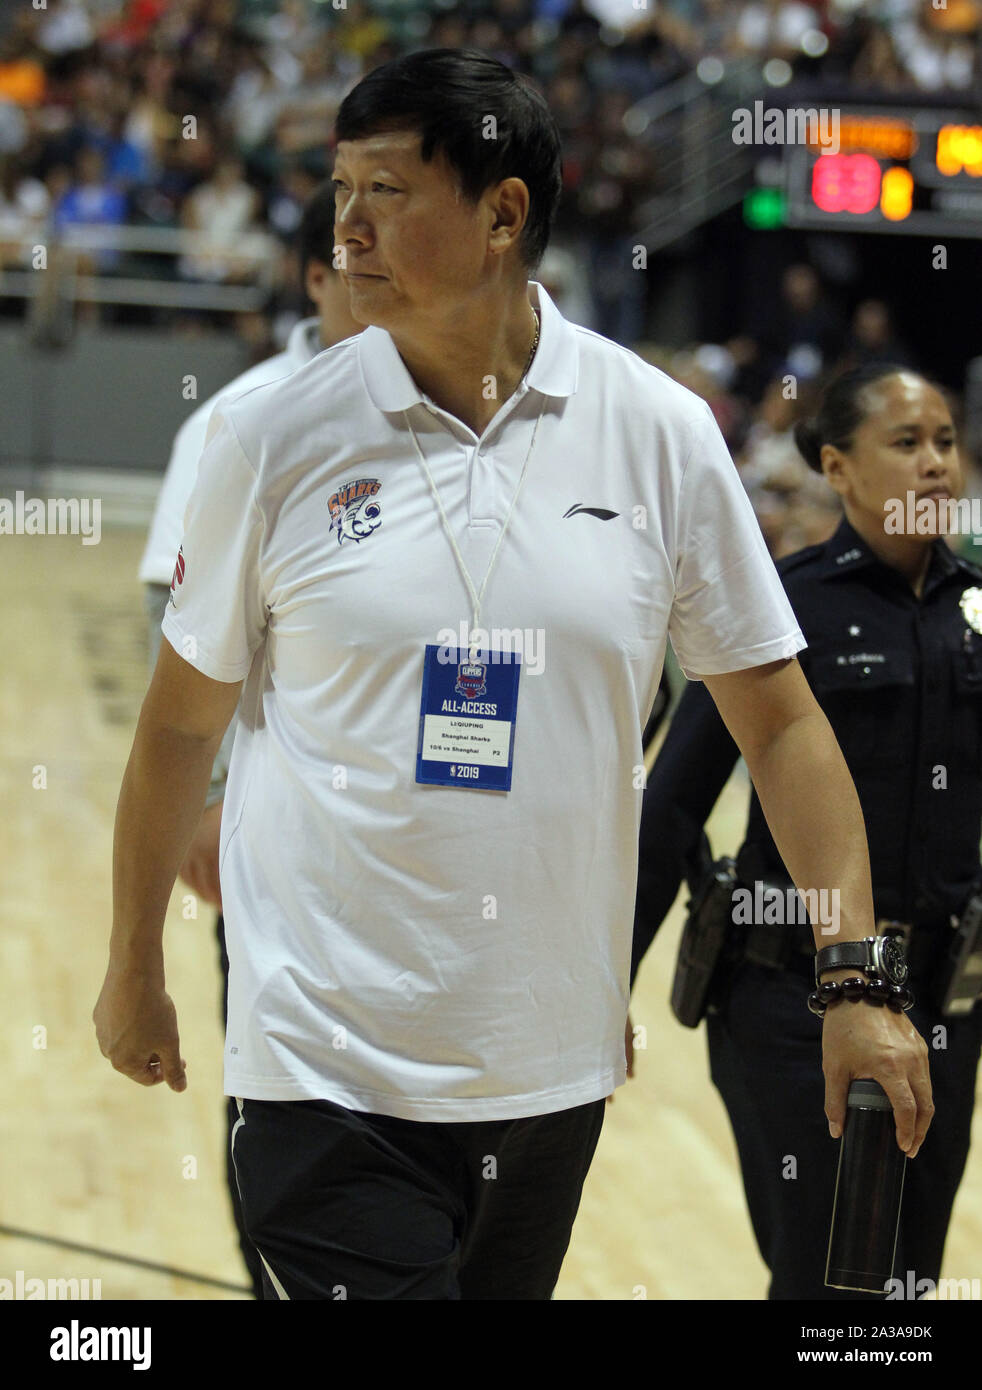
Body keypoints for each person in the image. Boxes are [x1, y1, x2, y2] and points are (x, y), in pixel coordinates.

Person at [95, 49, 931, 1302]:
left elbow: (784, 728)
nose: (350, 224)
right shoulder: (265, 442)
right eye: (339, 190)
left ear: (502, 213)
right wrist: (134, 960)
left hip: (546, 1074)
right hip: (321, 1065)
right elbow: (172, 732)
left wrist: (855, 977)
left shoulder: (657, 433)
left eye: (387, 188)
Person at [632, 362, 982, 1299]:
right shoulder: (783, 607)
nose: (937, 465)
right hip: (794, 998)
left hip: (946, 1005)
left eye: (947, 441)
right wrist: (602, 984)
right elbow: (671, 805)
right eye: (906, 444)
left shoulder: (977, 611)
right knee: (830, 1281)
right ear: (839, 465)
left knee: (910, 1282)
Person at [138, 181, 364, 1298]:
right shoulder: (240, 420)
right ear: (314, 280)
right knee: (271, 1084)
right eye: (344, 253)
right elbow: (173, 625)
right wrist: (215, 789)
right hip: (274, 826)